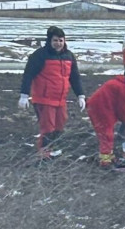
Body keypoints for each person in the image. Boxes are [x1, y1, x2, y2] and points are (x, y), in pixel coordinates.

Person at [18, 26, 85, 158]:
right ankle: (44, 154)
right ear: (49, 41)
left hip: (60, 99)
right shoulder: (39, 56)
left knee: (60, 125)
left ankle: (56, 149)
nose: (58, 43)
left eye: (61, 40)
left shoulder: (69, 56)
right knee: (48, 127)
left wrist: (80, 95)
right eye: (55, 40)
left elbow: (75, 77)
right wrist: (24, 95)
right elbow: (28, 75)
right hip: (44, 98)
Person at [86, 73, 125, 168]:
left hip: (99, 107)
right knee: (106, 134)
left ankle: (109, 156)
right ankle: (105, 161)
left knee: (107, 133)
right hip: (100, 109)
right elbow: (121, 110)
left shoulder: (121, 84)